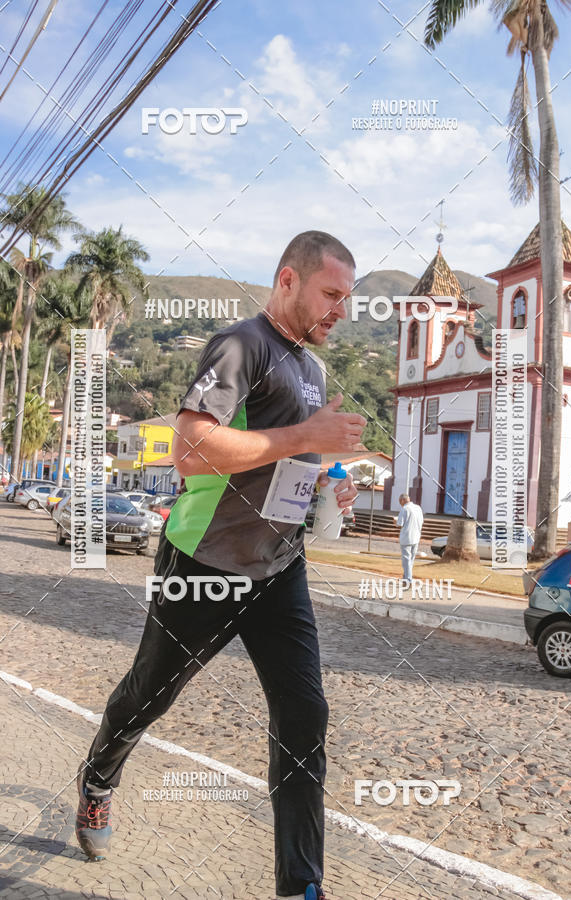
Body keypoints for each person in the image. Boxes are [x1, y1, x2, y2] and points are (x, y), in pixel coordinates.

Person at [75, 231, 366, 900]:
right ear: (287, 280)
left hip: (279, 567)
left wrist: (328, 483)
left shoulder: (314, 370)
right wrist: (305, 437)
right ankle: (99, 776)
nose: (340, 311)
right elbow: (190, 448)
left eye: (348, 299)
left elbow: (296, 461)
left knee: (304, 716)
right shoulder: (241, 345)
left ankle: (301, 886)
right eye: (331, 295)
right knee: (150, 693)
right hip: (203, 560)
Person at [396, 493, 424, 584]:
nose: (401, 504)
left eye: (400, 502)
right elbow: (422, 521)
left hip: (406, 537)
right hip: (416, 537)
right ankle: (406, 577)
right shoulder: (418, 508)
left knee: (406, 560)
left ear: (403, 500)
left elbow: (400, 523)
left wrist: (394, 521)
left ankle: (408, 579)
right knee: (411, 559)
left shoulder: (405, 509)